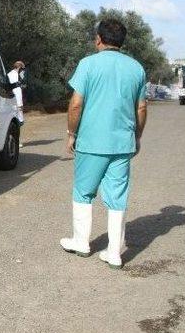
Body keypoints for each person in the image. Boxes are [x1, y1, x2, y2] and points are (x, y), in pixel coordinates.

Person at [60, 19, 148, 269]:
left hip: (91, 142)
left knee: (83, 192)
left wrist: (71, 133)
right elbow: (141, 107)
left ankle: (81, 242)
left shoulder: (88, 65)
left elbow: (76, 103)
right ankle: (114, 252)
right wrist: (137, 136)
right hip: (122, 144)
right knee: (117, 198)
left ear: (99, 38)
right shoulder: (136, 68)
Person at [7, 61, 26, 126]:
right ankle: (20, 120)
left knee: (16, 105)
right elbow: (23, 81)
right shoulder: (18, 74)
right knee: (19, 105)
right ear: (19, 67)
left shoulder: (9, 73)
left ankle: (17, 119)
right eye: (22, 68)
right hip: (17, 91)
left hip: (12, 90)